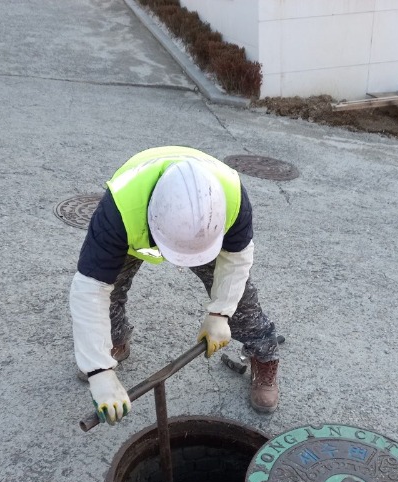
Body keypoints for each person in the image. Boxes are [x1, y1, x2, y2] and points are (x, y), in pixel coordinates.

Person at [70, 146, 280, 425]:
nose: (181, 264)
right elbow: (91, 289)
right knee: (110, 292)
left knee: (244, 306)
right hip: (134, 225)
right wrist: (98, 371)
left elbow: (237, 260)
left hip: (208, 232)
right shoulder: (119, 210)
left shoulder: (232, 197)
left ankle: (264, 356)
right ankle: (114, 341)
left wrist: (220, 313)